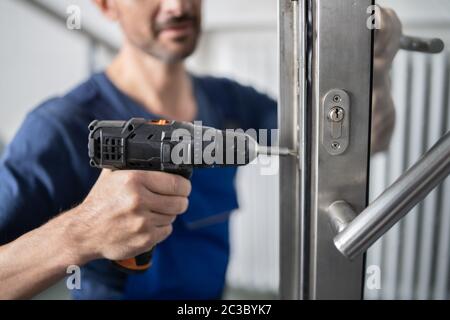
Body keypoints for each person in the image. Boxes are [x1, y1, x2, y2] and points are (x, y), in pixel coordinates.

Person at [0, 0, 400, 299]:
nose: (177, 6)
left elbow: (358, 144)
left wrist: (374, 65)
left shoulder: (229, 100)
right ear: (107, 5)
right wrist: (81, 233)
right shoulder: (57, 128)